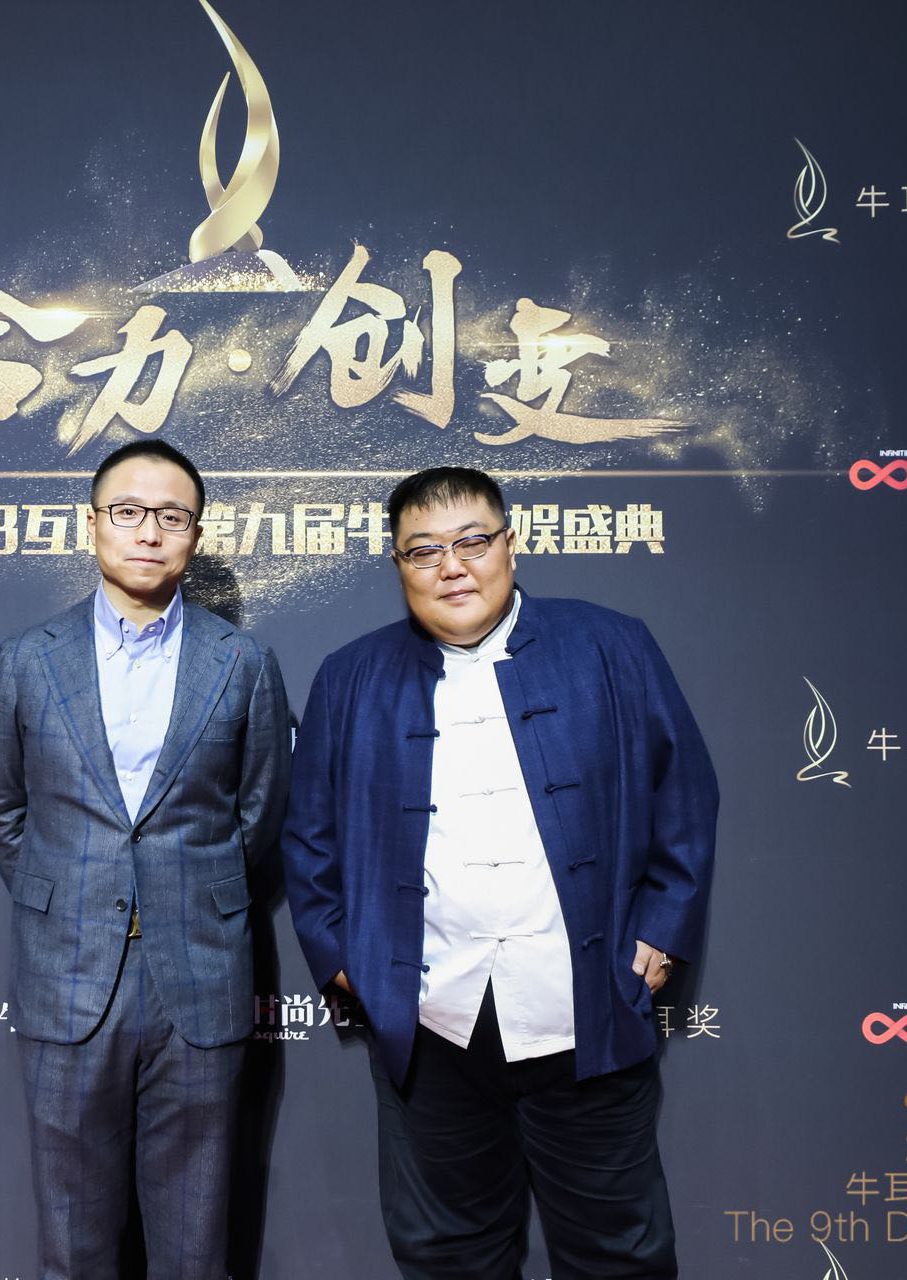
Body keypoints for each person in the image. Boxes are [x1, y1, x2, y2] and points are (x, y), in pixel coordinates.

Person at [282, 466, 717, 1279]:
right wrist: (344, 960)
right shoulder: (352, 675)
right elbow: (309, 836)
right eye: (423, 551)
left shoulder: (611, 644)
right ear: (399, 565)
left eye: (472, 542)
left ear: (510, 545)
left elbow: (685, 794)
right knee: (448, 1256)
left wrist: (662, 930)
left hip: (584, 1011)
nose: (452, 567)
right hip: (431, 1025)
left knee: (618, 1256)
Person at [0, 440, 291, 1280]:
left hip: (201, 973)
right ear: (92, 525)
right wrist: (74, 895)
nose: (149, 532)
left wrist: (188, 893)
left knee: (196, 1241)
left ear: (195, 535)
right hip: (68, 974)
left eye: (171, 516)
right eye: (128, 512)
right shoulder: (26, 659)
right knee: (72, 1239)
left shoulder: (243, 663)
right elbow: (3, 812)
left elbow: (257, 815)